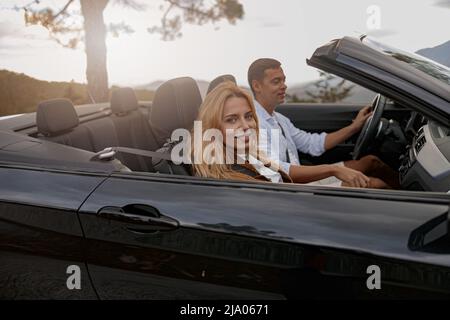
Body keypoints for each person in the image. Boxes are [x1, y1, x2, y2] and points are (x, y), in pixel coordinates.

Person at [248, 58, 399, 188]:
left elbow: (312, 144)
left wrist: (354, 128)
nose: (284, 86)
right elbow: (276, 170)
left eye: (283, 80)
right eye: (276, 81)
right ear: (257, 86)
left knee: (371, 162)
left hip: (300, 180)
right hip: (290, 188)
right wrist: (332, 170)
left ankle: (413, 192)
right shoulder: (253, 124)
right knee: (375, 184)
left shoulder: (279, 119)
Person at [190, 81, 292, 183]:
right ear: (213, 127)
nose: (245, 126)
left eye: (248, 116)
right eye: (232, 120)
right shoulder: (226, 179)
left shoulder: (250, 155)